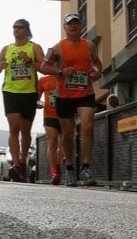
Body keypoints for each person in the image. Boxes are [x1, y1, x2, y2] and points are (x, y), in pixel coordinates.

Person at [41, 13, 103, 186]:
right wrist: (60, 72)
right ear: (65, 28)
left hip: (85, 92)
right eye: (70, 24)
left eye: (76, 23)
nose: (73, 26)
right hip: (64, 95)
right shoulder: (57, 48)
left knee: (88, 125)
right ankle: (69, 168)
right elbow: (43, 66)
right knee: (67, 134)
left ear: (80, 25)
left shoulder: (89, 45)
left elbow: (98, 63)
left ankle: (86, 168)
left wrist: (97, 72)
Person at [0, 17, 45, 183]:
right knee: (14, 127)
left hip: (29, 92)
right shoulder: (6, 48)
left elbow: (44, 67)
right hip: (10, 91)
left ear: (26, 30)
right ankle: (15, 164)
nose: (16, 30)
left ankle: (23, 161)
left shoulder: (34, 47)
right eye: (14, 27)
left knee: (25, 130)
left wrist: (29, 60)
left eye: (20, 27)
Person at [37, 70, 62, 184]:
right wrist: (37, 103)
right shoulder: (43, 80)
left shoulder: (65, 76)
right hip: (49, 115)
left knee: (63, 146)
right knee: (52, 141)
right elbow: (36, 98)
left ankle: (57, 165)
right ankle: (54, 172)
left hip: (64, 115)